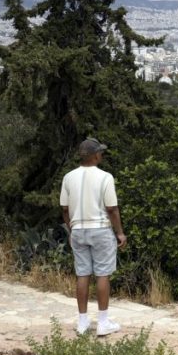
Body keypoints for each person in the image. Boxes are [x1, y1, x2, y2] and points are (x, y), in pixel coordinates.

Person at [60, 137, 127, 337]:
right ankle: (103, 322)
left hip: (78, 229)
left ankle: (82, 322)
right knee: (102, 274)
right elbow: (112, 208)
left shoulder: (68, 177)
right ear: (95, 155)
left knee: (82, 274)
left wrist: (71, 229)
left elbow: (64, 208)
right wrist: (120, 233)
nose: (102, 154)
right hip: (100, 229)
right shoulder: (105, 177)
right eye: (100, 152)